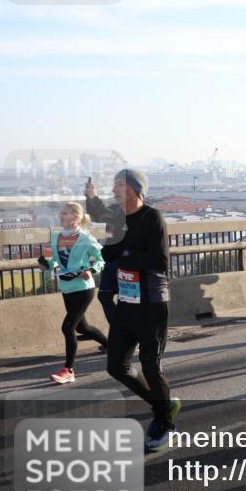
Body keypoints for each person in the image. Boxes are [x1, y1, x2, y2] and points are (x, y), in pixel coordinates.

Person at [101, 169, 180, 452]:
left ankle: (165, 424)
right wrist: (121, 250)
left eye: (119, 185)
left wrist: (124, 253)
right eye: (113, 185)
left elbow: (159, 261)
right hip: (127, 302)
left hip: (152, 301)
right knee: (116, 367)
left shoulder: (152, 217)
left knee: (150, 365)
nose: (113, 190)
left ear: (135, 189)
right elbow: (105, 254)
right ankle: (163, 405)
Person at [37, 202, 107, 384]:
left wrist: (91, 270)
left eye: (65, 213)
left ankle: (68, 370)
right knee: (82, 327)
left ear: (75, 218)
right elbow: (54, 261)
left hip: (84, 288)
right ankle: (111, 346)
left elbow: (101, 258)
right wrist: (46, 265)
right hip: (67, 287)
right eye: (61, 213)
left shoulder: (85, 238)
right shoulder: (54, 236)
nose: (61, 216)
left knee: (67, 327)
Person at [85, 178, 124, 338]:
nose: (114, 190)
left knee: (125, 300)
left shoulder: (134, 212)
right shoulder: (116, 208)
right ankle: (120, 335)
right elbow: (101, 217)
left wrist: (93, 198)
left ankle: (122, 337)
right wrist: (91, 197)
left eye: (119, 186)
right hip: (111, 259)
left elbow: (104, 217)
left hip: (125, 261)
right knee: (104, 295)